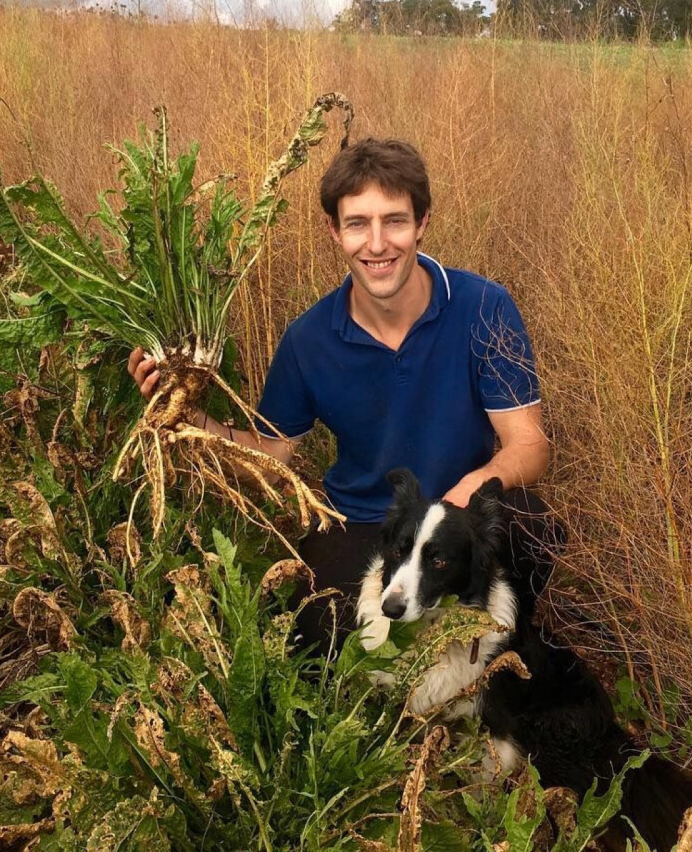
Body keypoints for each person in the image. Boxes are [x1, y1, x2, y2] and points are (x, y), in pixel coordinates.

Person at [128, 137, 559, 653]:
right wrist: (189, 415)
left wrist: (473, 488)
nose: (377, 244)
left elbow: (530, 445)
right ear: (335, 231)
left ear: (422, 222)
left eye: (394, 221)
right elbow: (272, 452)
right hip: (362, 522)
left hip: (458, 518)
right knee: (318, 629)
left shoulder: (484, 307)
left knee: (532, 527)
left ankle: (498, 657)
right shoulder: (309, 339)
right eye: (357, 224)